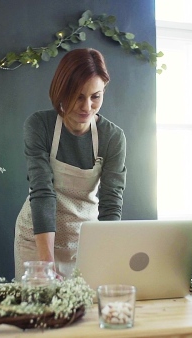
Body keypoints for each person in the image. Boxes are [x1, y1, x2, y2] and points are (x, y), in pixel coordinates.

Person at [14, 48, 127, 280]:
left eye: (95, 96)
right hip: (37, 242)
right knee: (37, 312)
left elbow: (110, 203)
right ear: (62, 92)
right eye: (78, 96)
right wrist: (45, 262)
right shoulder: (40, 126)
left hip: (84, 243)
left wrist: (105, 254)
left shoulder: (112, 137)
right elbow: (42, 190)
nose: (86, 107)